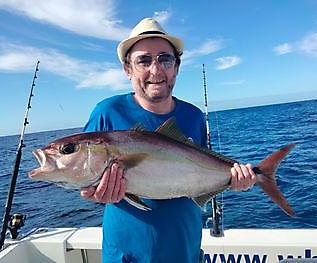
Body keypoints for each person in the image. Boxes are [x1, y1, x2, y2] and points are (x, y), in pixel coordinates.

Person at [81, 18, 256, 263]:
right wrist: (94, 194)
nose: (156, 70)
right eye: (143, 60)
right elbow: (86, 181)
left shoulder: (193, 116)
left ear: (176, 67)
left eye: (165, 59)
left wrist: (234, 179)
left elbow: (202, 171)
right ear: (127, 69)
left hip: (186, 251)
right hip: (126, 257)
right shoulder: (107, 113)